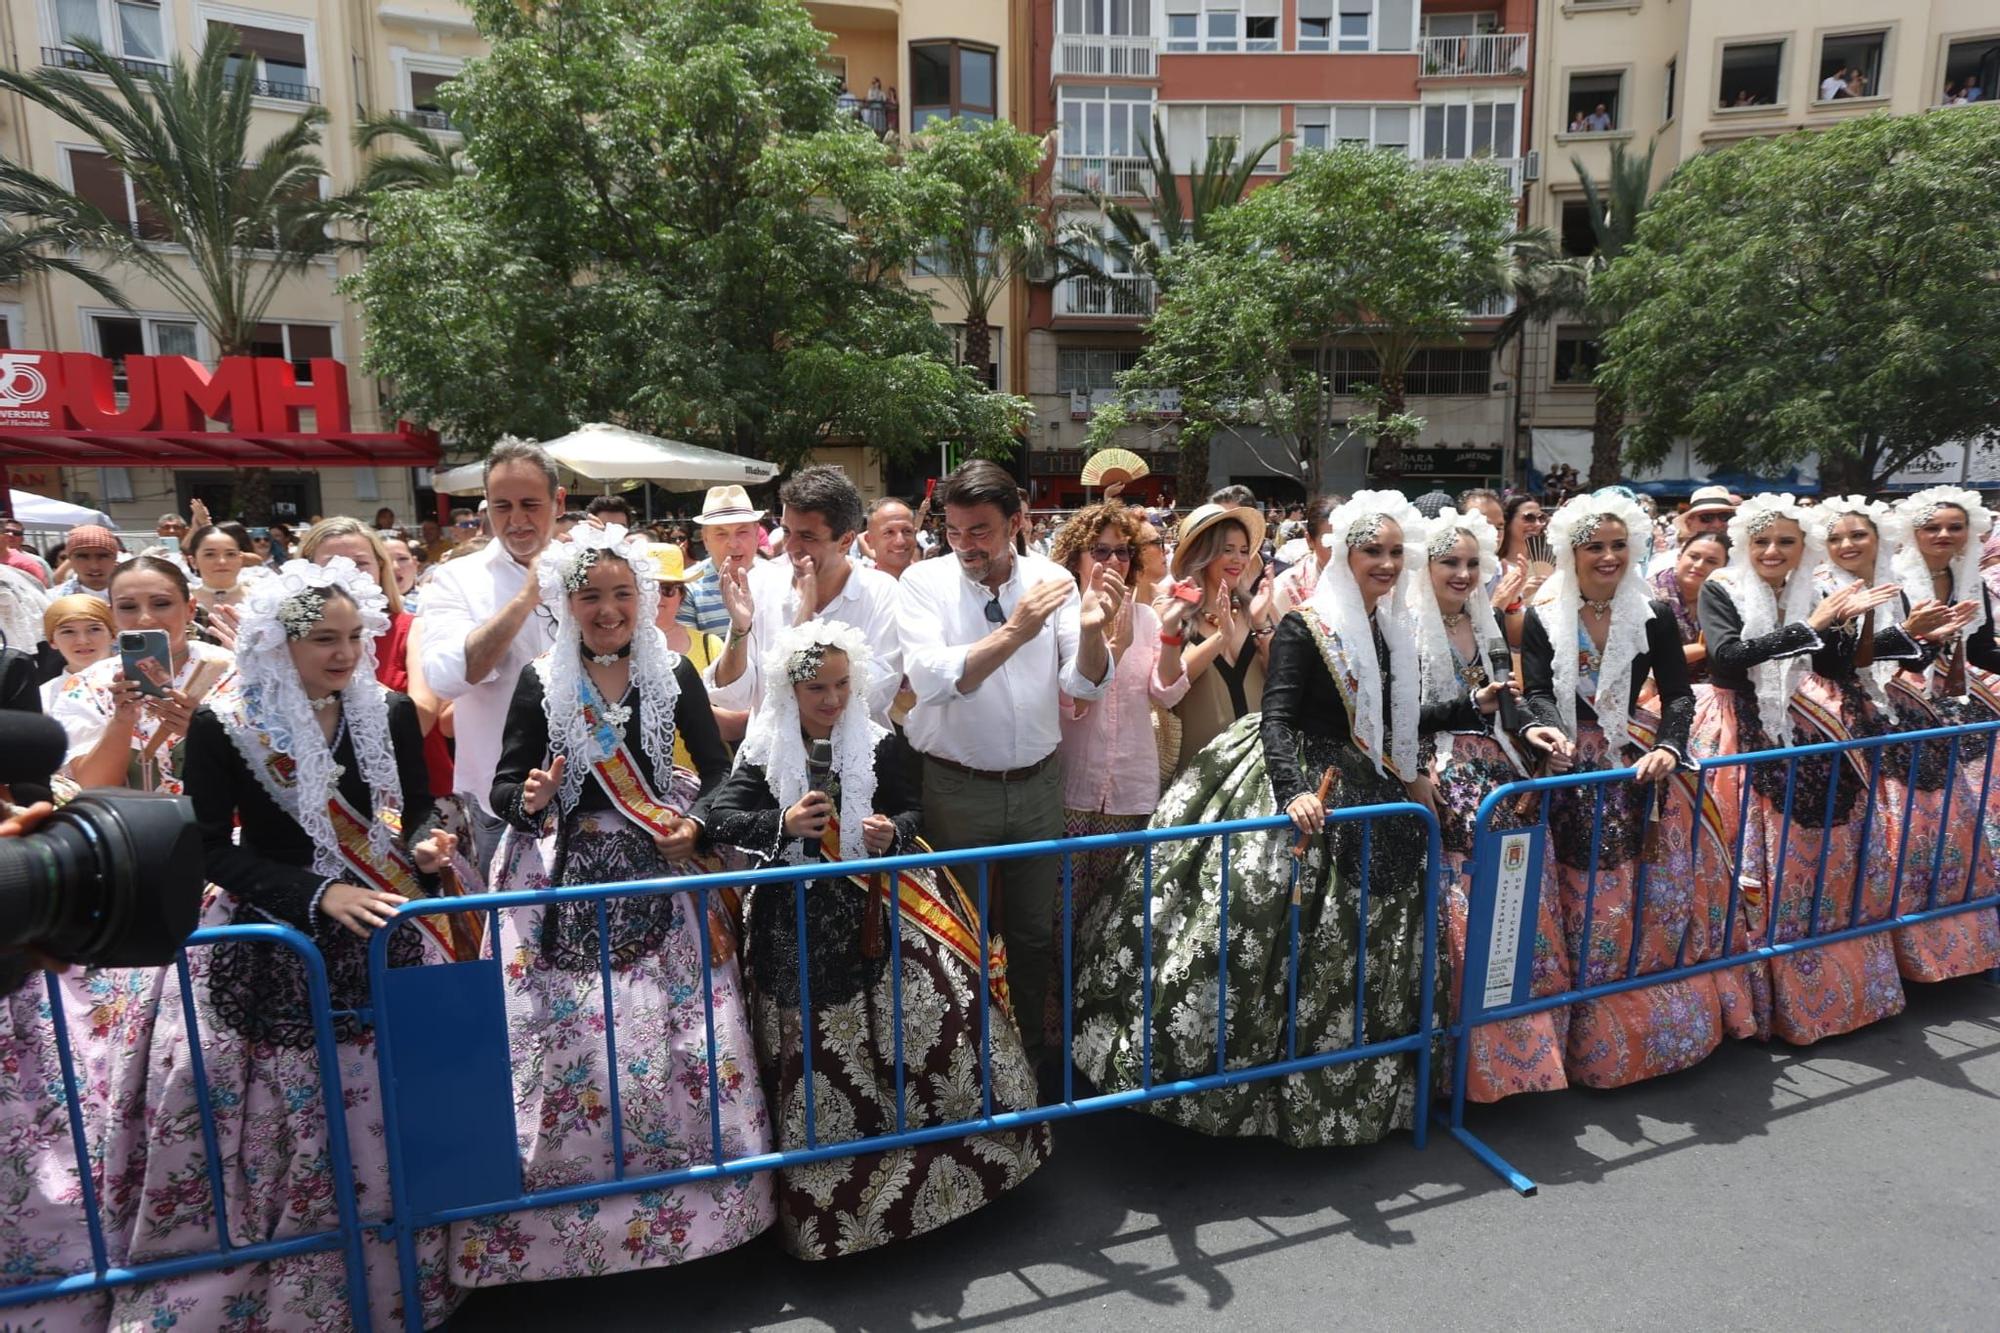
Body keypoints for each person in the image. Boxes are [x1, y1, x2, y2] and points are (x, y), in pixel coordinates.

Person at [114, 557, 466, 1330]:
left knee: (395, 1105)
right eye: (322, 640)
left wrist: (431, 843)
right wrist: (315, 893)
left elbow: (414, 811)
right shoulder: (223, 722)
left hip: (382, 921)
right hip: (277, 938)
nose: (343, 654)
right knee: (291, 1112)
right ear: (279, 641)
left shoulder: (393, 712)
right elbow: (208, 846)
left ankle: (405, 1269)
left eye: (353, 637)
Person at [1075, 491, 1460, 1146]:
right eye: (1373, 549)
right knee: (1247, 910)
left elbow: (1407, 716)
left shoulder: (1402, 627)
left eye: (1397, 551)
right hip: (1297, 780)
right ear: (1344, 553)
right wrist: (1291, 792)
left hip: (1377, 793)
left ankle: (1363, 1089)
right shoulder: (1305, 625)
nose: (1387, 562)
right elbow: (1277, 718)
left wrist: (1420, 773)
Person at [467, 523, 772, 1285]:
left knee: (680, 1041)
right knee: (568, 1043)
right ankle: (563, 1222)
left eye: (620, 594)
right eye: (590, 595)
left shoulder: (674, 673)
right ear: (568, 603)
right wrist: (529, 794)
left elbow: (720, 771)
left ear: (645, 597)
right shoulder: (542, 680)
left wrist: (698, 824)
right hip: (564, 877)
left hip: (660, 870)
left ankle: (696, 1215)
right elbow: (505, 786)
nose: (607, 610)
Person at [692, 620, 1049, 1258]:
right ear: (790, 690)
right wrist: (783, 821)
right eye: (817, 688)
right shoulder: (766, 746)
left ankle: (961, 1177)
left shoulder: (882, 742)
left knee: (925, 1033)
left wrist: (894, 833)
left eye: (841, 685)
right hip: (796, 921)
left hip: (887, 906)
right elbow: (720, 815)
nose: (831, 699)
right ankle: (840, 1209)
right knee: (823, 1058)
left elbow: (913, 809)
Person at [897, 459, 1116, 1070]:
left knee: (1032, 935)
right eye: (955, 532)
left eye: (981, 532)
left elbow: (1084, 684)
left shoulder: (1054, 581)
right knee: (957, 932)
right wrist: (1017, 631)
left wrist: (1097, 630)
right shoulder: (922, 584)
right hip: (954, 788)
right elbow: (934, 679)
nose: (965, 546)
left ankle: (1029, 1059)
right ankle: (965, 1062)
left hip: (1038, 786)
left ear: (1017, 522)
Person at [1690, 495, 1913, 1047]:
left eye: (1785, 542)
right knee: (1746, 858)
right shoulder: (1722, 587)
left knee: (1820, 856)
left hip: (1807, 725)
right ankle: (1755, 989)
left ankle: (1828, 980)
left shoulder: (1814, 588)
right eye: (1762, 541)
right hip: (1737, 729)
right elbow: (1726, 657)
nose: (1771, 551)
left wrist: (1855, 623)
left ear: (1802, 547)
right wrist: (1808, 625)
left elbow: (1838, 666)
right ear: (1744, 544)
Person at [1517, 492, 1717, 1088]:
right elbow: (1533, 694)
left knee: (1646, 882)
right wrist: (1543, 729)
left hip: (1636, 762)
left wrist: (1669, 747)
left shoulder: (1651, 611)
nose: (1607, 557)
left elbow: (1679, 694)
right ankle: (1574, 1023)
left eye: (1616, 545)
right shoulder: (1541, 613)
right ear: (1570, 552)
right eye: (1593, 547)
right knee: (1573, 887)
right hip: (1566, 767)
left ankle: (1639, 1011)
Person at [1416, 507, 1563, 1102]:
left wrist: (1532, 732)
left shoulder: (1489, 625)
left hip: (1497, 773)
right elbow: (1392, 717)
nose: (1462, 573)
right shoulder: (1398, 626)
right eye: (1449, 561)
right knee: (1457, 914)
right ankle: (1456, 1066)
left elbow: (1509, 702)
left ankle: (1519, 1059)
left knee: (1514, 900)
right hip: (1430, 778)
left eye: (1473, 563)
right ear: (1423, 565)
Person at [1045, 503, 1188, 1043]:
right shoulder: (1060, 618)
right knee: (1064, 921)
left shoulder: (1147, 616)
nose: (1110, 560)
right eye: (1098, 550)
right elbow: (1068, 704)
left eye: (1121, 551)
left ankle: (1106, 1037)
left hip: (1132, 788)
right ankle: (1058, 1037)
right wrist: (1107, 646)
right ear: (1076, 556)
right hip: (1072, 789)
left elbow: (1165, 691)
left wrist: (1171, 638)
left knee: (1121, 922)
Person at [420, 439, 566, 875]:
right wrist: (525, 599)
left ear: (558, 501)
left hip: (596, 794)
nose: (517, 520)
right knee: (511, 938)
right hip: (498, 802)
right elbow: (446, 679)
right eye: (502, 506)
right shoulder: (455, 579)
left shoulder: (591, 568)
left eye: (529, 504)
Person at [1878, 486, 2000, 982]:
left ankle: (1966, 940)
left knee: (1971, 822)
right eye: (1933, 527)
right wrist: (1924, 633)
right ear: (1913, 532)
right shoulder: (1892, 581)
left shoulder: (1971, 581)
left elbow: (1983, 652)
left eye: (1954, 527)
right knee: (1912, 828)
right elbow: (1886, 658)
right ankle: (1907, 943)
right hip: (1899, 711)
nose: (1944, 535)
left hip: (1957, 710)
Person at [707, 465, 902, 727]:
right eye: (787, 531)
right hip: (770, 762)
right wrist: (739, 633)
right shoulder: (760, 584)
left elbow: (875, 694)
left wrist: (805, 621)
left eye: (807, 536)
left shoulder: (882, 593)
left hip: (857, 762)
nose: (789, 547)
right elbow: (733, 697)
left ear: (846, 541)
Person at [51, 556, 236, 794]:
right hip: (129, 827)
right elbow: (94, 785)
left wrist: (204, 732)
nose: (145, 619)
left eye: (161, 604)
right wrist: (122, 721)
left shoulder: (232, 672)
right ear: (112, 614)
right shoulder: (89, 685)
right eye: (128, 607)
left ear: (190, 609)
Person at [301, 517, 453, 801]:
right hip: (323, 797)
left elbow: (421, 717)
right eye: (331, 562)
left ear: (380, 568)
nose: (346, 572)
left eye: (360, 563)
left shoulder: (413, 628)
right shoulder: (289, 641)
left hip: (417, 794)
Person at [1166, 500, 1271, 766]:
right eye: (1227, 550)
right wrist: (1220, 638)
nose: (1238, 559)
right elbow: (1167, 686)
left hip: (1262, 763)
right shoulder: (1174, 612)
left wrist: (1261, 625)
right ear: (1203, 554)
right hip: (1202, 769)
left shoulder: (1257, 608)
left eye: (1244, 550)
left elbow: (1281, 678)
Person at [649, 540, 747, 757]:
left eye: (666, 589)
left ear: (681, 595)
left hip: (705, 778)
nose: (657, 597)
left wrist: (685, 706)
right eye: (647, 587)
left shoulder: (709, 644)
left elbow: (739, 723)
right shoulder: (616, 649)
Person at [679, 484, 766, 636]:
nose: (733, 543)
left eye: (742, 532)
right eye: (721, 534)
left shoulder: (779, 579)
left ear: (757, 533)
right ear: (705, 539)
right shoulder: (687, 588)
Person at [1651, 531, 1729, 683]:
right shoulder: (1650, 595)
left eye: (1711, 561)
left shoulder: (1726, 598)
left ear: (1723, 568)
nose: (1699, 565)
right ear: (1679, 557)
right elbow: (1650, 660)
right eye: (1694, 557)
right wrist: (1702, 649)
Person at [38, 593, 115, 712]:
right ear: (52, 641)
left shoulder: (138, 681)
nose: (82, 641)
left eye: (94, 629)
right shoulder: (43, 697)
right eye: (68, 631)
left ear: (113, 635)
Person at [51, 523, 121, 600]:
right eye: (82, 557)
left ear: (115, 558)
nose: (94, 566)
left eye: (103, 556)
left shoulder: (132, 594)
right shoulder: (54, 599)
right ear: (70, 560)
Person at [860, 496, 920, 580]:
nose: (900, 541)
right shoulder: (860, 589)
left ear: (915, 535)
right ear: (869, 540)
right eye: (889, 532)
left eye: (907, 531)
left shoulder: (935, 584)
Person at [1, 515, 51, 586]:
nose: (11, 535)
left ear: (22, 539)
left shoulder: (36, 562)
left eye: (16, 533)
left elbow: (48, 588)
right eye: (7, 531)